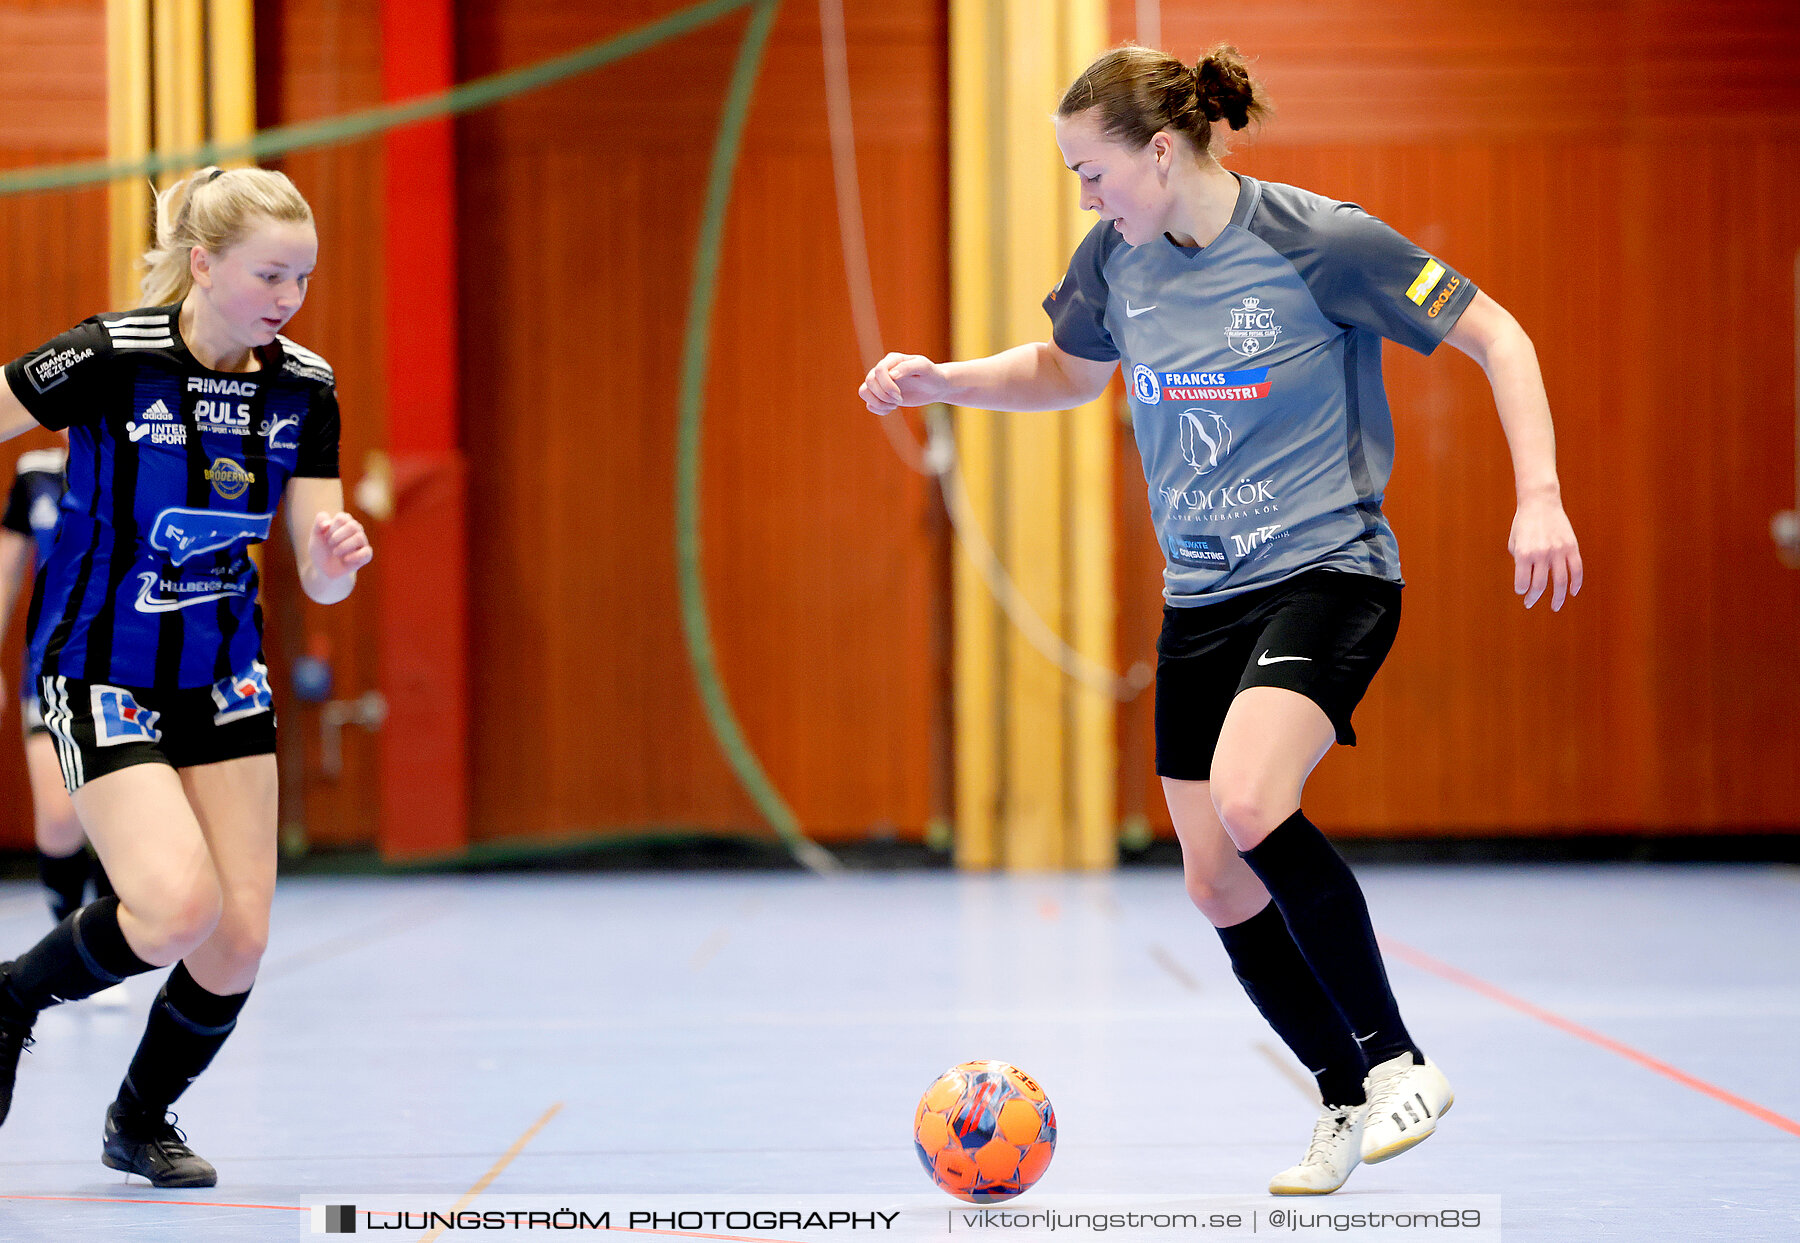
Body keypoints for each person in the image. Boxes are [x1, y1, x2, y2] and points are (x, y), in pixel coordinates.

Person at [859, 44, 1580, 1195]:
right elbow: (1064, 366)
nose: (1083, 200)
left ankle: (1398, 1062)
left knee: (1251, 800)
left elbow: (1501, 334)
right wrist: (944, 378)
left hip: (1328, 572)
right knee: (1213, 878)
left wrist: (1537, 495)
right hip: (1200, 597)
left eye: (1093, 174)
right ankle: (1341, 1102)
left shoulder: (1319, 241)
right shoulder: (1118, 260)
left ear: (1161, 149)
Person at [0, 165, 372, 1188]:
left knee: (239, 941)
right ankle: (9, 999)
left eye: (302, 277)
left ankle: (139, 1117)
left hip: (221, 679)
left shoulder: (306, 386)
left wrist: (333, 562)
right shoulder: (107, 355)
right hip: (97, 669)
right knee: (172, 910)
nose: (288, 299)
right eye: (269, 275)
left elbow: (316, 571)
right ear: (203, 265)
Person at [1, 445, 126, 936]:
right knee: (58, 821)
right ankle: (69, 934)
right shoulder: (35, 475)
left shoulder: (149, 466)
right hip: (52, 669)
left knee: (118, 822)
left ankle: (108, 940)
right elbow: (6, 574)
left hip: (130, 671)